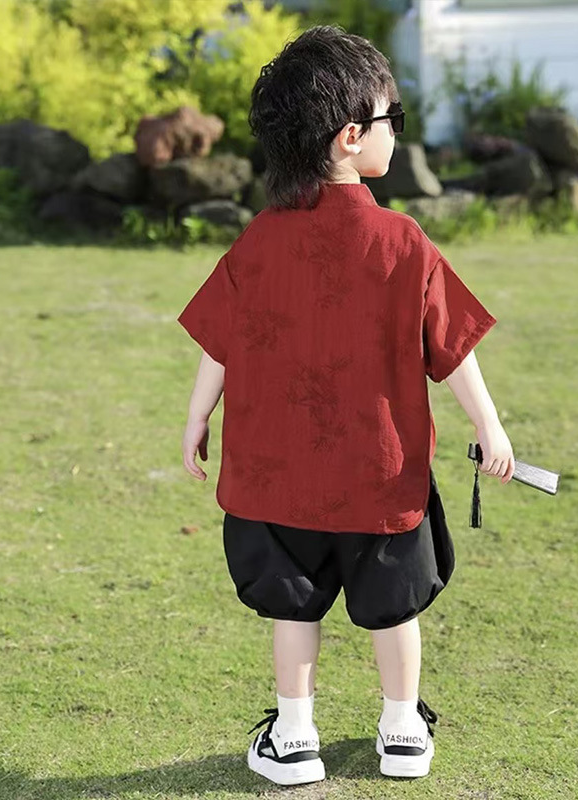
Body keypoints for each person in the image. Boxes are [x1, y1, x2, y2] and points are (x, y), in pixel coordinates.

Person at [177, 24, 514, 786]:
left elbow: (220, 342)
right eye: (395, 119)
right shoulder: (403, 242)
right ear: (351, 137)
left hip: (279, 477)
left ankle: (295, 737)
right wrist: (489, 426)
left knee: (294, 609)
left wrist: (198, 416)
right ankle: (402, 730)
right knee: (396, 609)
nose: (398, 132)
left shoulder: (258, 241)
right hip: (380, 477)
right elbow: (452, 346)